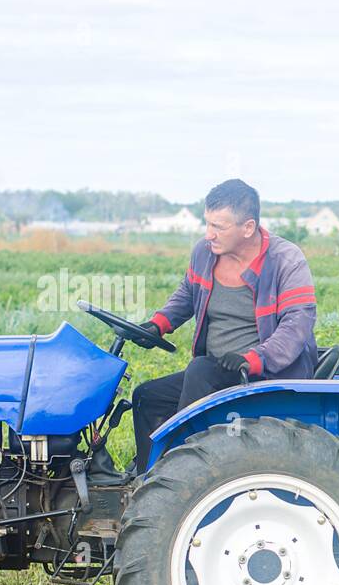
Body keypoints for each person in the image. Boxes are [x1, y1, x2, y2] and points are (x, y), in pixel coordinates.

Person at [130, 178, 319, 471]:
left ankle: (182, 473)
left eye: (218, 227)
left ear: (247, 227)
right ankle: (147, 478)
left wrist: (255, 359)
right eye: (207, 224)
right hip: (217, 372)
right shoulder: (205, 254)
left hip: (264, 375)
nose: (209, 235)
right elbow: (186, 294)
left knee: (200, 369)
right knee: (147, 397)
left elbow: (297, 326)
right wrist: (159, 324)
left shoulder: (285, 260)